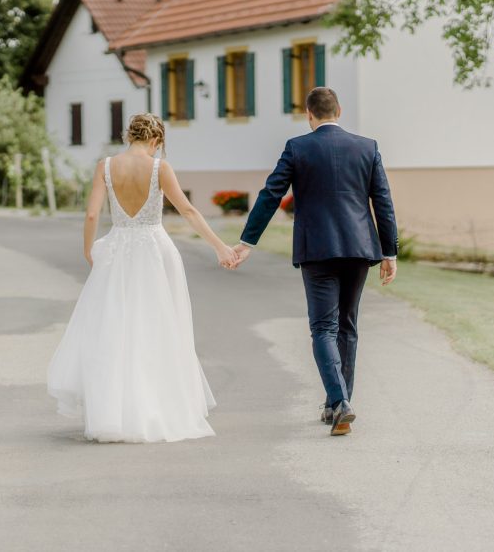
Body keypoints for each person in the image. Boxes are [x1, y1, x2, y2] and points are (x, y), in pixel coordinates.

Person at [47, 113, 238, 443]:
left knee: (115, 331)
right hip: (155, 252)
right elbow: (188, 211)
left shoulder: (105, 166)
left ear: (128, 136)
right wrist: (220, 247)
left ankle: (114, 413)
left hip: (117, 252)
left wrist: (89, 250)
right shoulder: (159, 167)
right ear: (156, 140)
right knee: (158, 329)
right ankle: (156, 408)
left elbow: (91, 214)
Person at [231, 87, 398, 437]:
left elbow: (271, 194)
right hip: (358, 248)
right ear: (339, 110)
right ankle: (338, 404)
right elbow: (382, 200)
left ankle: (339, 403)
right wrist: (389, 251)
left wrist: (248, 241)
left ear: (309, 114)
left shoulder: (298, 147)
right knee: (347, 327)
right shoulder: (367, 147)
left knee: (323, 328)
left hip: (317, 249)